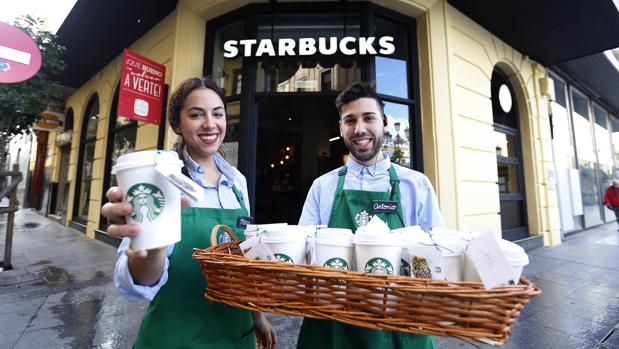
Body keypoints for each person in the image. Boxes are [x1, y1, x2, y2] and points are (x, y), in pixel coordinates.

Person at [102, 77, 276, 349]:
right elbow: (137, 283)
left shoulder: (238, 182)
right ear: (177, 125)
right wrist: (152, 248)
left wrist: (257, 315)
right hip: (174, 338)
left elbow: (243, 260)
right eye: (196, 114)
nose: (210, 123)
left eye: (217, 114)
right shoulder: (160, 179)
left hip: (235, 336)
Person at [297, 81, 444, 349]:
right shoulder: (323, 186)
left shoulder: (416, 185)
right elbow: (303, 255)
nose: (359, 129)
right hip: (331, 324)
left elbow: (436, 253)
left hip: (399, 325)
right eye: (350, 120)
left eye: (369, 118)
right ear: (341, 127)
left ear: (384, 122)